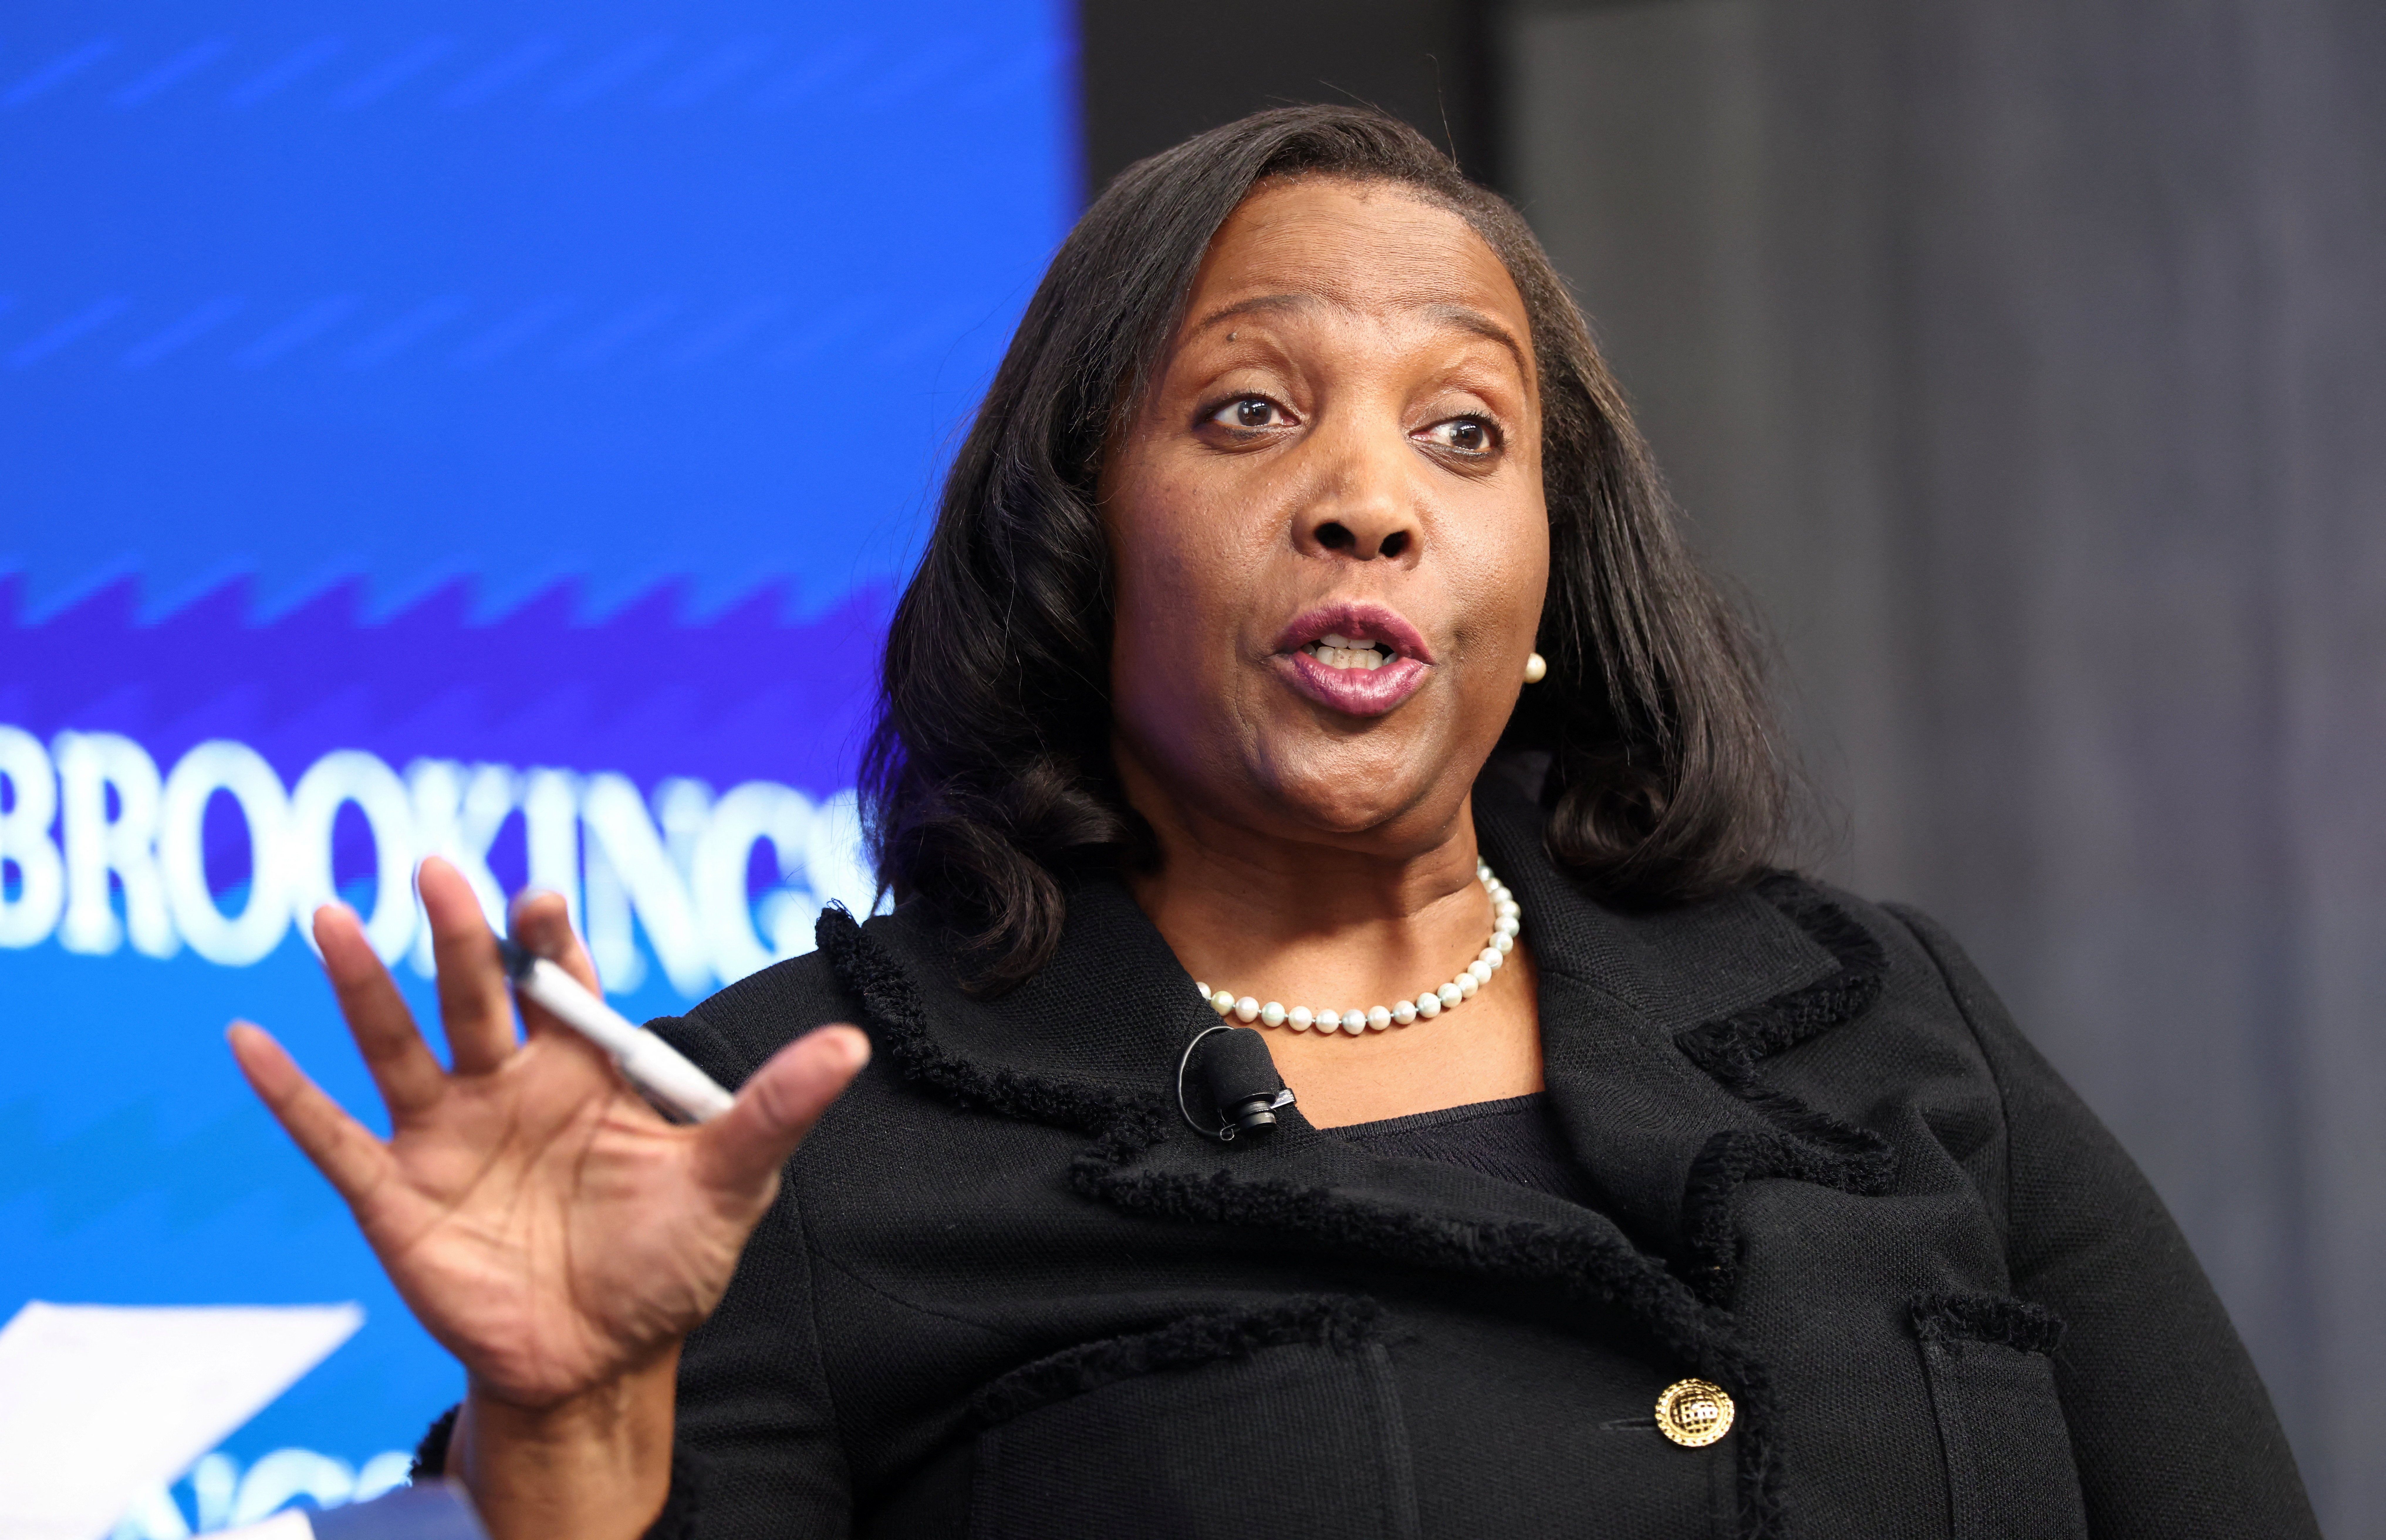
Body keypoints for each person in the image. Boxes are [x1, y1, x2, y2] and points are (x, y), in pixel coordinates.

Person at [229, 107, 2317, 1540]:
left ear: (1547, 592)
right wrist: (571, 1433)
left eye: (1462, 432)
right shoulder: (771, 1135)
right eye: (1248, 410)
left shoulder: (1879, 1020)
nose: (1367, 496)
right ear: (1072, 546)